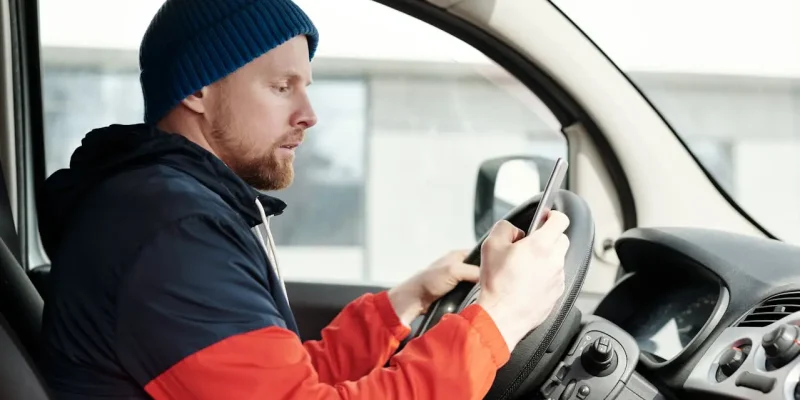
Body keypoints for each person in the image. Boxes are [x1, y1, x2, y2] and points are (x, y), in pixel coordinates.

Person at [36, 0, 571, 398]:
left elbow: (279, 378)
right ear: (198, 90)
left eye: (306, 85)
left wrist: (408, 301)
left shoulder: (168, 208)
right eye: (281, 86)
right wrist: (500, 316)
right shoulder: (170, 234)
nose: (309, 113)